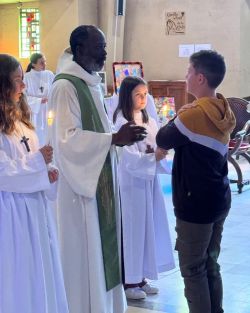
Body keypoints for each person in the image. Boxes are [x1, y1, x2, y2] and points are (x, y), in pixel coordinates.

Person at [47, 25, 147, 313]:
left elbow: (98, 132)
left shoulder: (90, 81)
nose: (104, 53)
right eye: (98, 47)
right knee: (83, 252)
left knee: (101, 252)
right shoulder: (65, 86)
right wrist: (114, 139)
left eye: (103, 46)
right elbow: (66, 140)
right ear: (79, 50)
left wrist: (118, 138)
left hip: (97, 180)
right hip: (79, 192)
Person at [156, 50, 236, 313]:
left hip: (195, 203)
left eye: (188, 72)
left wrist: (181, 112)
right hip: (218, 198)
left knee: (192, 269)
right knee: (210, 262)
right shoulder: (224, 108)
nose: (185, 77)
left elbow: (163, 139)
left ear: (200, 78)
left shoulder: (193, 114)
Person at [0, 54, 69, 313]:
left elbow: (33, 162)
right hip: (10, 216)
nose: (23, 86)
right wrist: (38, 162)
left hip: (34, 212)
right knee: (18, 277)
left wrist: (47, 174)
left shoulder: (22, 122)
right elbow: (3, 172)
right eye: (18, 80)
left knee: (39, 271)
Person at [113, 76, 175, 300]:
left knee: (147, 229)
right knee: (133, 231)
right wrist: (151, 157)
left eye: (145, 94)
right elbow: (127, 157)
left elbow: (155, 143)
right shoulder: (122, 120)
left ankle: (142, 276)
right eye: (138, 95)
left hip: (148, 182)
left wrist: (158, 152)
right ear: (127, 96)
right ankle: (129, 282)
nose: (143, 98)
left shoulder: (147, 118)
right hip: (131, 184)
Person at [24, 53, 55, 146]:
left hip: (49, 110)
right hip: (35, 112)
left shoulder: (49, 74)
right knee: (37, 136)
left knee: (50, 133)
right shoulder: (26, 77)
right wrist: (38, 101)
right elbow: (23, 96)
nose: (44, 64)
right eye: (41, 62)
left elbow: (55, 89)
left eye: (45, 62)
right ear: (33, 64)